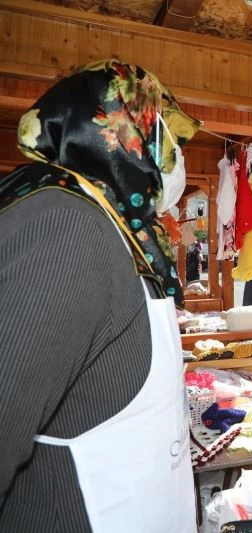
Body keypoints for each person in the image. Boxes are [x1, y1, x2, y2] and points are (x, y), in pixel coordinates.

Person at [0, 60, 197, 531]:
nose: (179, 157)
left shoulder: (119, 225)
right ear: (122, 134)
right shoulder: (64, 227)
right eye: (170, 138)